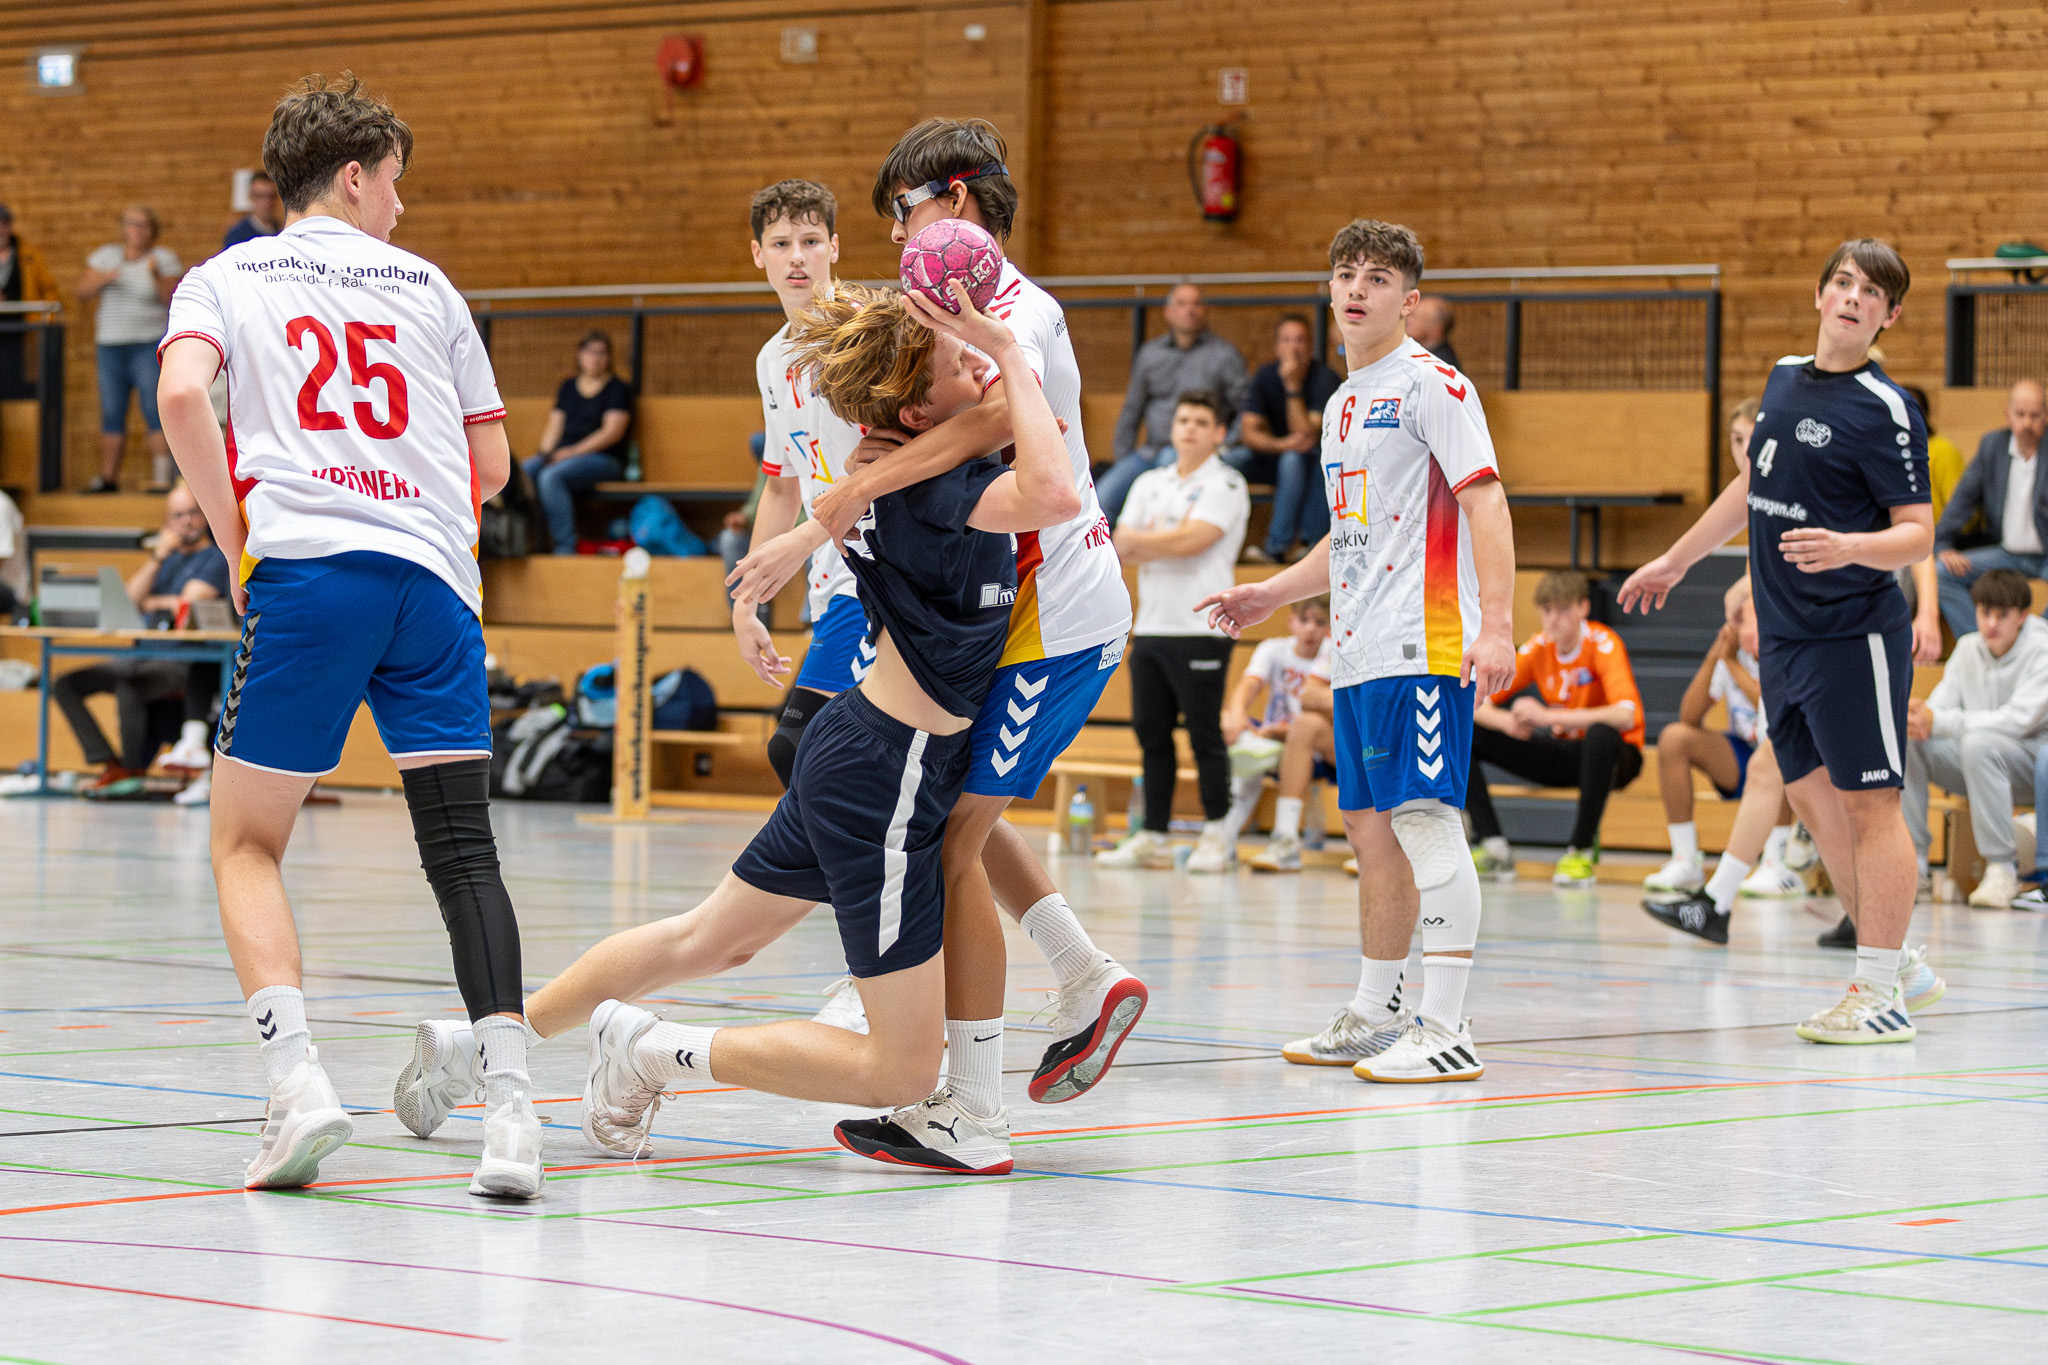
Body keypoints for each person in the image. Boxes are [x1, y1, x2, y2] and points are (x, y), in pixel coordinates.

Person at [411, 279, 1082, 1176]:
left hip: (859, 748)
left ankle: (478, 1043)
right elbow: (1054, 487)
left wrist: (982, 351)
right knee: (901, 1066)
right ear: (919, 405)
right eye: (956, 357)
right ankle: (653, 1050)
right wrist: (1001, 348)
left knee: (708, 937)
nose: (985, 358)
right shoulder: (939, 490)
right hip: (890, 772)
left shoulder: (904, 462)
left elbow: (999, 420)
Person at [157, 73, 542, 1197]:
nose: (402, 213)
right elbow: (495, 469)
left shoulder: (221, 277)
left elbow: (183, 398)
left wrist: (236, 537)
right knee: (462, 851)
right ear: (358, 173)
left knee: (245, 843)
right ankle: (513, 1120)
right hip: (432, 583)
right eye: (397, 187)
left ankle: (299, 1091)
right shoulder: (428, 286)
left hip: (312, 574)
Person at [779, 118, 1146, 1169]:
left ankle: (971, 1104)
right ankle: (1072, 972)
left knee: (947, 839)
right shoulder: (953, 304)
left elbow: (991, 429)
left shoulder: (1013, 309)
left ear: (959, 199)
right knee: (943, 814)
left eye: (903, 210)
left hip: (1050, 621)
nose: (894, 235)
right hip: (1003, 608)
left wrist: (848, 493)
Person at [1200, 217, 1517, 1084]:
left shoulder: (1433, 388)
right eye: (1346, 272)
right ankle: (1378, 1012)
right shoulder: (1341, 405)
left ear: (1409, 302)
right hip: (1360, 647)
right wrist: (1271, 592)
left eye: (1378, 277)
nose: (1357, 288)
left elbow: (1486, 504)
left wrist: (1497, 627)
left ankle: (1445, 1027)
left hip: (1427, 641)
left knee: (1423, 822)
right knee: (1371, 832)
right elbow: (1348, 536)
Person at [1620, 238, 1937, 1045]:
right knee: (1806, 792)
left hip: (1853, 632)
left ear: (1888, 315)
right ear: (1822, 294)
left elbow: (1918, 535)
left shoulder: (1887, 409)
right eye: (1843, 283)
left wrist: (1849, 547)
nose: (1853, 298)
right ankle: (1899, 964)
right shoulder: (1784, 377)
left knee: (1871, 802)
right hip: (1784, 638)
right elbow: (1751, 484)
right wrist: (1678, 556)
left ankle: (1879, 992)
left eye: (1872, 292)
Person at [1097, 389, 1250, 873]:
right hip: (1153, 626)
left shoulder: (1227, 484)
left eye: (1201, 422)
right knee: (1151, 733)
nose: (1188, 428)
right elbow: (1119, 542)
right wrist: (1159, 541)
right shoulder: (1149, 482)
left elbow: (1196, 540)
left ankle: (1218, 833)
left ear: (1219, 433)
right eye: (1183, 419)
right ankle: (1155, 833)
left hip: (1201, 626)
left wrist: (1151, 542)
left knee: (1204, 734)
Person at [1465, 570, 1645, 889]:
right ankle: (1492, 846)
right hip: (1567, 755)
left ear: (1583, 609)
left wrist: (1546, 718)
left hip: (1618, 758)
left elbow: (1625, 716)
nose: (1553, 619)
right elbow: (1476, 699)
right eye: (1546, 610)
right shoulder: (1539, 647)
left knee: (1600, 734)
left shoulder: (1603, 643)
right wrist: (1506, 722)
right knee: (1466, 733)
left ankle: (1581, 851)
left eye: (1562, 609)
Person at [51, 484, 229, 796]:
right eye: (178, 515)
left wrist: (152, 602)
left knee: (131, 682)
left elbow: (188, 603)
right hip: (143, 654)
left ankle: (131, 771)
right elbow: (131, 600)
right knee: (65, 683)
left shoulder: (216, 557)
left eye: (193, 513)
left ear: (205, 516)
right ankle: (110, 763)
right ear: (167, 522)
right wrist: (158, 557)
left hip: (184, 661)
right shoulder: (167, 559)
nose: (187, 521)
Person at [1904, 568, 2048, 908]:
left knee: (1979, 742)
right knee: (1909, 736)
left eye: (2003, 615)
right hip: (1978, 765)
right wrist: (1920, 716)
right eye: (1985, 613)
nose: (1991, 624)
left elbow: (2016, 721)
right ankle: (1915, 867)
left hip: (2031, 769)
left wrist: (1940, 720)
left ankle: (2002, 870)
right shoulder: (1968, 648)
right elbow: (1938, 709)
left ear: (2023, 616)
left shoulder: (2042, 649)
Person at [1643, 576, 1764, 895]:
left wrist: (1732, 664)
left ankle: (1777, 865)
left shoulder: (1784, 644)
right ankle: (1685, 861)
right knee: (1674, 738)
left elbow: (1773, 713)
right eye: (1734, 618)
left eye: (1745, 615)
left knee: (1777, 751)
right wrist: (1717, 656)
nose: (1737, 622)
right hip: (1746, 754)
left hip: (1790, 757)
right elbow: (1689, 716)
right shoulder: (1733, 652)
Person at [1094, 283, 1249, 523]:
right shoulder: (1150, 354)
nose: (1189, 310)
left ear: (1205, 310)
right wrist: (1122, 457)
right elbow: (1132, 409)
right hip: (1149, 451)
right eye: (1181, 303)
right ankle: (1113, 558)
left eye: (1196, 303)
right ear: (1168, 312)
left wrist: (1223, 445)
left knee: (1165, 496)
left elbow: (1245, 407)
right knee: (1101, 498)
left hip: (1194, 452)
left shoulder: (1224, 355)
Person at [1217, 597, 1335, 872]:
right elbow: (1249, 685)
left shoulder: (1333, 651)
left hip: (1322, 744)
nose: (1310, 630)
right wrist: (1236, 717)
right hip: (1277, 740)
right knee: (1225, 722)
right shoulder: (1274, 649)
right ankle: (1223, 839)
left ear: (1331, 628)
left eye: (1319, 623)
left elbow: (1324, 709)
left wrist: (1287, 731)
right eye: (1303, 621)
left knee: (1305, 725)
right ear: (1290, 621)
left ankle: (1285, 838)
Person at [1932, 379, 2048, 641]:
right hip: (2004, 552)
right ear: (2008, 415)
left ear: (2046, 417)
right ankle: (1983, 647)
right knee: (1942, 572)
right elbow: (1962, 500)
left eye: (2035, 416)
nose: (2027, 424)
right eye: (2020, 415)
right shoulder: (1992, 446)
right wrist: (1943, 545)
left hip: (2045, 555)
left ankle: (2037, 648)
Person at [79, 205, 182, 493]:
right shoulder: (106, 257)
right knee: (112, 412)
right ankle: (108, 478)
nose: (137, 230)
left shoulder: (163, 259)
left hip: (147, 344)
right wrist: (106, 277)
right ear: (123, 228)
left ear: (153, 230)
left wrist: (155, 275)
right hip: (110, 345)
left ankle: (162, 479)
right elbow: (83, 292)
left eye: (144, 225)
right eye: (132, 224)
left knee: (154, 409)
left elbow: (171, 299)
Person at [1237, 314, 1342, 565]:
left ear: (1310, 346)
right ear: (1276, 346)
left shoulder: (1324, 378)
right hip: (1271, 454)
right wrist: (1281, 445)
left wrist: (1292, 385)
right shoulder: (1265, 374)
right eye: (1286, 340)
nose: (1293, 347)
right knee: (1225, 462)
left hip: (1311, 461)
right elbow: (1248, 432)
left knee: (1294, 459)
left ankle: (1276, 547)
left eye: (1300, 340)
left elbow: (1306, 435)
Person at [522, 331, 633, 554]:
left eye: (602, 352)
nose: (596, 358)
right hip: (564, 456)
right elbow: (555, 425)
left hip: (604, 460)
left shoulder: (617, 389)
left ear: (609, 357)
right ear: (580, 355)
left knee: (551, 476)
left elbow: (611, 433)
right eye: (591, 352)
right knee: (524, 471)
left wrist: (570, 453)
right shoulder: (568, 387)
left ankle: (565, 547)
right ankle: (523, 542)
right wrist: (544, 455)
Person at [0, 204, 62, 400]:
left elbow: (50, 291)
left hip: (23, 332)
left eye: (4, 224)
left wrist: (46, 320)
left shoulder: (29, 256)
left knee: (22, 387)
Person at [1899, 384, 1967, 526]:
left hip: (1935, 539)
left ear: (1924, 414)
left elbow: (1960, 510)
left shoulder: (1944, 450)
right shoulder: (1887, 450)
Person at [222, 172, 285, 249]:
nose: (267, 202)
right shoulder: (238, 235)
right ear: (250, 196)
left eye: (271, 196)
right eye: (260, 196)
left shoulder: (282, 230)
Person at [1406, 294, 1460, 373]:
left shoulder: (1440, 365)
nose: (1408, 321)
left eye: (1417, 318)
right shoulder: (1417, 353)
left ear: (1437, 328)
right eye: (1410, 316)